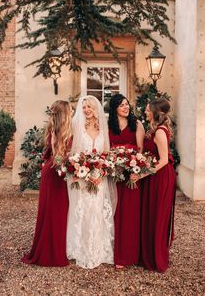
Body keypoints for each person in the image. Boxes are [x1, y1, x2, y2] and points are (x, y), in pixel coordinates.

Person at [67, 95, 116, 269]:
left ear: (96, 109)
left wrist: (101, 173)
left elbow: (107, 155)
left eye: (89, 107)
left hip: (99, 179)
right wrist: (83, 173)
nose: (86, 110)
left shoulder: (103, 129)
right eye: (84, 107)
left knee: (97, 211)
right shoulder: (78, 129)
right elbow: (74, 155)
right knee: (84, 211)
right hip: (82, 178)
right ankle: (81, 249)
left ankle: (99, 251)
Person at [22, 100, 72, 267]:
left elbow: (49, 154)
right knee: (57, 213)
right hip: (57, 173)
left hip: (50, 171)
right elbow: (60, 156)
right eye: (70, 110)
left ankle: (50, 248)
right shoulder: (62, 132)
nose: (72, 113)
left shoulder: (54, 129)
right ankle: (52, 253)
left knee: (50, 212)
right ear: (65, 113)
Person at [108, 93, 145, 268]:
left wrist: (134, 167)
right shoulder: (109, 126)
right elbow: (105, 149)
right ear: (115, 107)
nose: (126, 107)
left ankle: (130, 254)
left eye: (127, 104)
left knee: (130, 214)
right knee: (114, 212)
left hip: (131, 176)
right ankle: (113, 252)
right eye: (122, 105)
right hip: (114, 176)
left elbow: (140, 151)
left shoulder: (136, 124)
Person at [140, 97, 176, 272]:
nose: (145, 111)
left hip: (161, 177)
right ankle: (149, 255)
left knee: (158, 216)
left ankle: (157, 259)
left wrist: (140, 175)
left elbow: (163, 161)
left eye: (148, 109)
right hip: (153, 176)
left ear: (155, 112)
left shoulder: (160, 131)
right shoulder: (154, 129)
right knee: (151, 214)